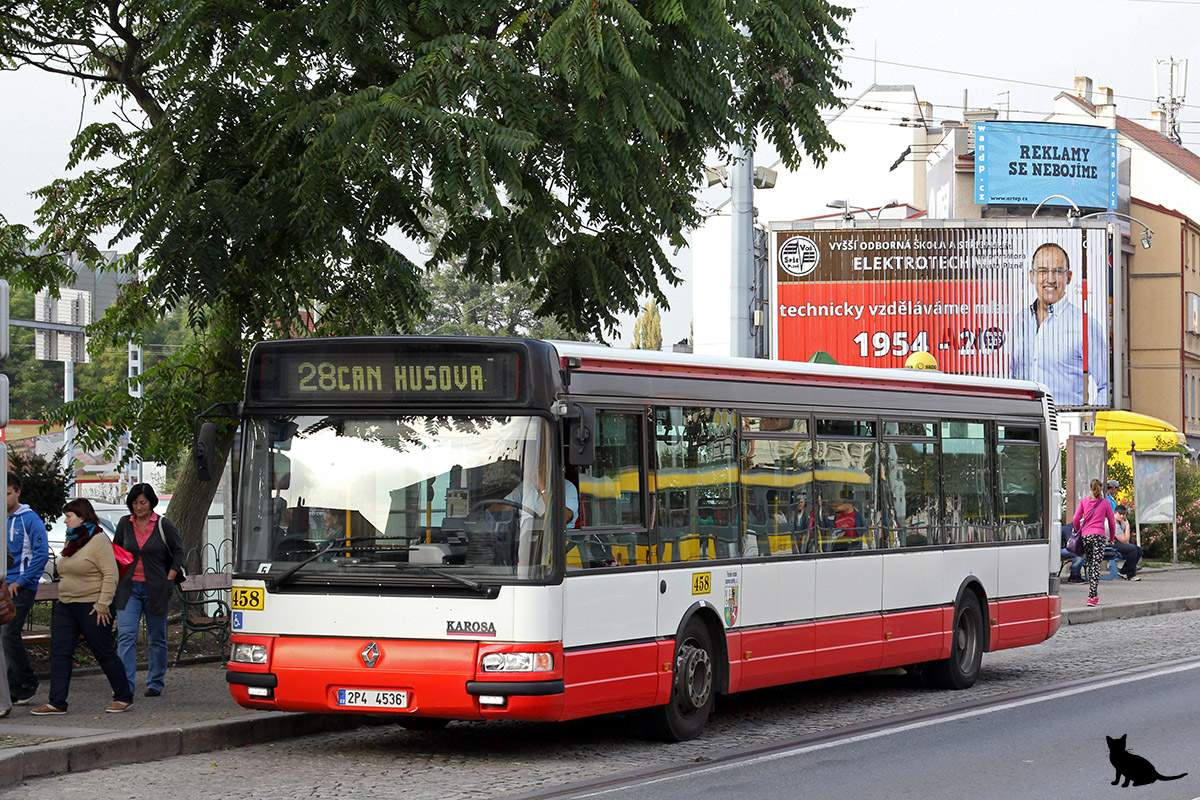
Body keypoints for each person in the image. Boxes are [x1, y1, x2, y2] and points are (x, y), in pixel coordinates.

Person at [31, 498, 134, 715]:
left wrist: (103, 604)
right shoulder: (73, 540)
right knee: (60, 652)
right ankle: (57, 702)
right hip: (66, 605)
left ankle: (123, 696)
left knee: (103, 651)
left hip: (92, 605)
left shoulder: (98, 540)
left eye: (69, 516)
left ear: (82, 517)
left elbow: (110, 574)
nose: (65, 520)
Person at [1009, 242, 1108, 406]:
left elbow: (1106, 386)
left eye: (1057, 272)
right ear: (1032, 276)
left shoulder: (1085, 325)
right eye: (1043, 271)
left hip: (1064, 424)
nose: (1050, 279)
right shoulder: (1020, 321)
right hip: (1022, 425)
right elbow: (1011, 378)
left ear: (1068, 277)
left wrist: (1088, 421)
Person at [113, 483, 184, 698]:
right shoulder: (125, 524)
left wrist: (169, 577)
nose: (139, 507)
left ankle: (155, 682)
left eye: (143, 502)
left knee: (156, 637)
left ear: (151, 502)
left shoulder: (163, 524)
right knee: (126, 635)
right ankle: (125, 685)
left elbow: (178, 551)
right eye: (134, 503)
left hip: (156, 588)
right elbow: (116, 551)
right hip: (129, 588)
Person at [5, 472, 48, 707]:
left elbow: (41, 554)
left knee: (9, 633)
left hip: (21, 587)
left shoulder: (29, 519)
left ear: (17, 492)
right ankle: (11, 686)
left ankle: (26, 683)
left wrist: (21, 581)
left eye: (8, 493)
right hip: (3, 584)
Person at [1072, 478, 1118, 608]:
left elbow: (1076, 519)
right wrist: (1111, 538)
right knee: (1096, 565)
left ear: (1090, 488)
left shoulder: (1084, 501)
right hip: (1099, 536)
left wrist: (1078, 531)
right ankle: (1091, 596)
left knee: (1090, 563)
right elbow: (1111, 522)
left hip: (1086, 535)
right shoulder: (1105, 503)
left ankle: (1094, 594)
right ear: (1101, 489)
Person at [1111, 504, 1143, 581]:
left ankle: (1124, 571)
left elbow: (1126, 540)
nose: (1122, 516)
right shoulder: (1113, 522)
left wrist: (1126, 525)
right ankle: (1131, 575)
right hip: (1110, 544)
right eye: (1120, 514)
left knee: (1138, 550)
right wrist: (1127, 526)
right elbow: (1125, 540)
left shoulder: (1121, 522)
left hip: (1117, 542)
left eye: (1123, 514)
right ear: (1115, 513)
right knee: (1132, 549)